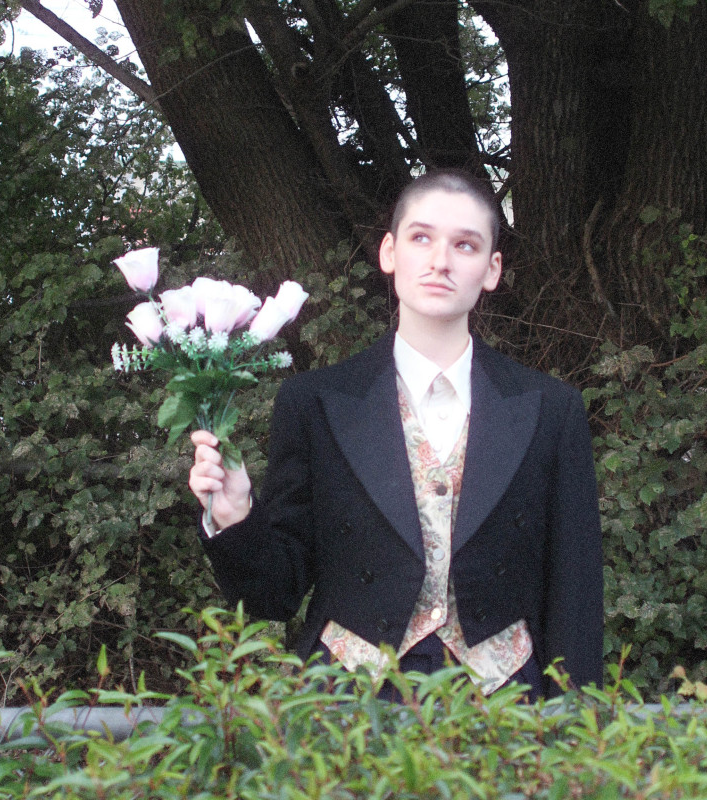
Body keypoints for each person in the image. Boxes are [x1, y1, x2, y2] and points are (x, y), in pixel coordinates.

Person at [188, 169, 602, 697]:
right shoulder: (314, 402)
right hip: (347, 702)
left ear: (492, 269)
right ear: (389, 252)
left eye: (466, 245)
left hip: (507, 701)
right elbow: (275, 596)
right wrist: (235, 518)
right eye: (421, 237)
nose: (441, 261)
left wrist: (577, 723)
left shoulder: (551, 410)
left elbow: (576, 592)